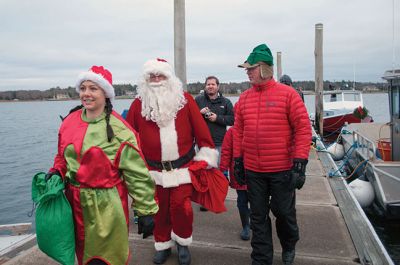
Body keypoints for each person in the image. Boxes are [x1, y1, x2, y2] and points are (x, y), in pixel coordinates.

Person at [45, 65, 159, 265]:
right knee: (79, 257)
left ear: (105, 94)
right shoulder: (69, 121)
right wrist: (57, 172)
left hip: (105, 208)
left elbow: (137, 175)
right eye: (83, 88)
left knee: (104, 260)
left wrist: (146, 211)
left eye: (93, 89)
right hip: (73, 203)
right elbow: (63, 157)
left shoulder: (120, 130)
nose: (86, 94)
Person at [126, 58, 220, 265]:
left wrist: (203, 160)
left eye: (161, 75)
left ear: (170, 78)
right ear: (146, 79)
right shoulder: (138, 104)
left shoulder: (185, 100)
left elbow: (202, 134)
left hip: (182, 168)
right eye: (152, 75)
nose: (156, 79)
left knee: (182, 209)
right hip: (152, 171)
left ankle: (183, 243)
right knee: (159, 211)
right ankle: (162, 244)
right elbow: (128, 139)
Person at [233, 44, 312, 265]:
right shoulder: (245, 99)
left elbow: (303, 129)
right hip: (254, 170)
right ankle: (261, 258)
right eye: (247, 69)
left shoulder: (289, 95)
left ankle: (289, 245)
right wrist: (238, 160)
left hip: (281, 169)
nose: (247, 72)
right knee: (258, 217)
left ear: (265, 68)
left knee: (284, 213)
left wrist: (300, 163)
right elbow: (238, 131)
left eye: (251, 68)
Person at [195, 76, 234, 212]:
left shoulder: (226, 102)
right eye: (208, 84)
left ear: (218, 86)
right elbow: (191, 117)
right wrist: (199, 114)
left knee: (220, 172)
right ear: (205, 86)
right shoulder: (199, 100)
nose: (210, 86)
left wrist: (217, 118)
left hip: (219, 142)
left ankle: (218, 197)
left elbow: (233, 120)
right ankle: (206, 201)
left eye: (213, 84)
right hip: (202, 143)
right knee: (205, 173)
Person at [219, 126, 250, 241]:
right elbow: (226, 151)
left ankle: (254, 221)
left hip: (256, 172)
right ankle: (246, 225)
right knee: (242, 201)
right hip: (238, 173)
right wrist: (223, 171)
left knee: (257, 201)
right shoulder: (232, 131)